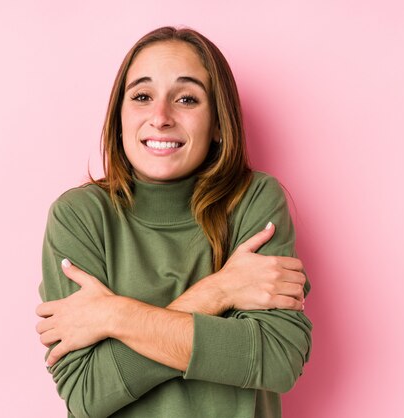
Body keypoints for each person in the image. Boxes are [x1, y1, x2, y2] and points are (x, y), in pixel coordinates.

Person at [35, 26, 312, 418]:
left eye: (186, 99)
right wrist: (221, 290)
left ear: (218, 123)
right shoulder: (80, 216)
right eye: (143, 97)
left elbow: (278, 360)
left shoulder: (254, 200)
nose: (161, 117)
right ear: (119, 117)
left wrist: (113, 315)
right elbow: (87, 393)